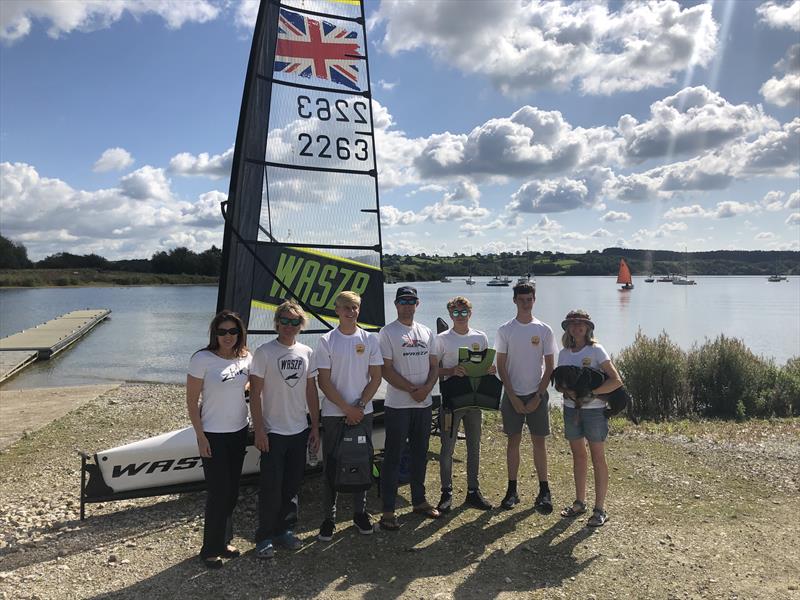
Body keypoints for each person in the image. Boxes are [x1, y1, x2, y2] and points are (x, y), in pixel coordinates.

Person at [250, 301, 320, 558]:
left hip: (299, 429)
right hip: (273, 431)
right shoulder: (264, 352)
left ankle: (285, 530)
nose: (289, 326)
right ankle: (265, 536)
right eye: (285, 321)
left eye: (295, 322)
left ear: (301, 325)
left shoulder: (306, 351)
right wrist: (259, 430)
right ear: (277, 322)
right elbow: (255, 394)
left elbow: (311, 390)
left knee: (292, 484)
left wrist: (315, 425)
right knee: (271, 485)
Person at [186, 310, 252, 569]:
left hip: (238, 431)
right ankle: (209, 549)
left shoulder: (246, 357)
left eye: (232, 331)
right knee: (218, 492)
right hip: (212, 434)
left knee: (233, 491)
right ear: (215, 333)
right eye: (222, 331)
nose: (228, 336)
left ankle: (224, 541)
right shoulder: (202, 359)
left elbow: (248, 386)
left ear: (239, 334)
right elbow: (192, 402)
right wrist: (200, 436)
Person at [315, 291, 383, 542]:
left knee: (361, 462)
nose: (350, 311)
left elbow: (376, 377)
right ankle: (328, 518)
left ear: (359, 310)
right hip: (335, 414)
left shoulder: (370, 339)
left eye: (354, 307)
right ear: (336, 310)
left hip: (363, 412)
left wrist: (361, 405)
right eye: (345, 307)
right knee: (332, 464)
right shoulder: (326, 341)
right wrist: (347, 408)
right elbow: (323, 381)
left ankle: (360, 513)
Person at [378, 286, 441, 530]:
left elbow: (434, 365)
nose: (407, 305)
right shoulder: (387, 332)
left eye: (411, 301)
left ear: (418, 304)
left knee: (420, 454)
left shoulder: (426, 332)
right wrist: (412, 389)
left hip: (423, 404)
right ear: (395, 305)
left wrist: (426, 389)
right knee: (393, 457)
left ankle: (419, 501)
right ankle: (388, 510)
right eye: (403, 301)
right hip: (398, 405)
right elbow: (386, 369)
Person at [556, 309, 622, 527]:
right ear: (567, 328)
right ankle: (579, 502)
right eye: (573, 324)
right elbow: (561, 384)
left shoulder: (596, 350)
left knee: (597, 457)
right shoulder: (564, 352)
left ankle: (600, 509)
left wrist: (591, 395)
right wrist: (569, 393)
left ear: (588, 327)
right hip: (570, 410)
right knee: (578, 456)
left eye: (581, 324)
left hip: (594, 411)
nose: (577, 327)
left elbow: (616, 381)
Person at [495, 283, 557, 513]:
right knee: (513, 441)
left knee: (539, 442)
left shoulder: (544, 330)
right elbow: (501, 366)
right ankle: (512, 490)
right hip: (512, 394)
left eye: (529, 299)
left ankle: (544, 489)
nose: (525, 303)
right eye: (521, 299)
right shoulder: (505, 330)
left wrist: (538, 396)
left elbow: (550, 367)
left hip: (536, 394)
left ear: (534, 300)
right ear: (514, 301)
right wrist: (511, 396)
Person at [436, 296, 494, 513]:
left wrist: (490, 370)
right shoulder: (442, 339)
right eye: (455, 313)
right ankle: (446, 492)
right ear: (450, 315)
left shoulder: (480, 336)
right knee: (447, 448)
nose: (459, 317)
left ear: (470, 313)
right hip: (452, 400)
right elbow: (432, 369)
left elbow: (486, 362)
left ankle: (473, 491)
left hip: (475, 400)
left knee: (474, 447)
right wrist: (451, 371)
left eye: (463, 312)